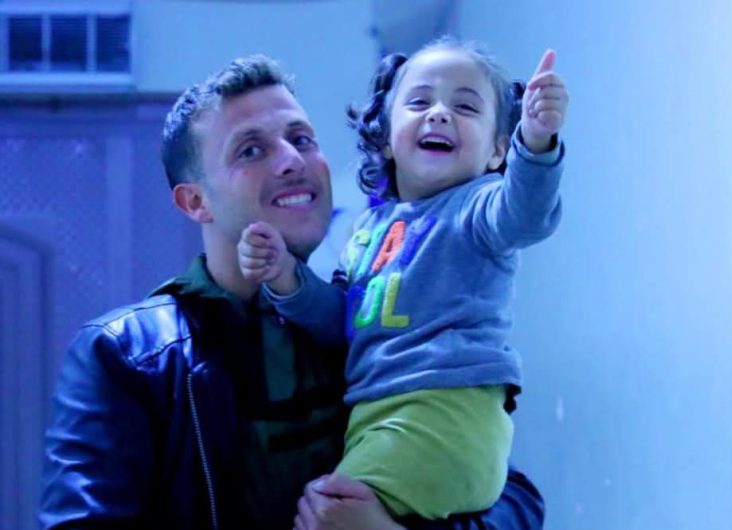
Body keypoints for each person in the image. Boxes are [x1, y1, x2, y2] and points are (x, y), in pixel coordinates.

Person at [39, 54, 545, 529]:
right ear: (195, 202)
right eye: (251, 150)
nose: (291, 161)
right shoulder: (126, 355)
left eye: (301, 139)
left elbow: (514, 500)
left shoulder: (373, 316)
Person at [237, 38, 567, 520]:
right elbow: (340, 323)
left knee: (327, 513)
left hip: (443, 414)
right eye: (419, 101)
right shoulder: (369, 230)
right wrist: (286, 275)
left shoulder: (477, 208)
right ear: (388, 138)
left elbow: (526, 213)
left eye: (465, 107)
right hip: (379, 420)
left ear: (498, 150)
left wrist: (535, 145)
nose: (439, 114)